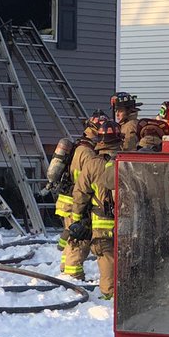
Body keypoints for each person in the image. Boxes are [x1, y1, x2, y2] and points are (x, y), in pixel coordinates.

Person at [70, 118, 122, 300]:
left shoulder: (93, 163)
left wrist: (76, 218)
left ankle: (110, 295)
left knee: (107, 256)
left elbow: (80, 193)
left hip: (101, 222)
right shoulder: (130, 160)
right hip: (128, 220)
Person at [53, 111, 105, 282]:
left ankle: (65, 269)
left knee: (71, 236)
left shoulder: (79, 146)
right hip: (75, 201)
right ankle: (73, 275)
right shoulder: (88, 152)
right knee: (80, 239)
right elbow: (86, 181)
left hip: (67, 200)